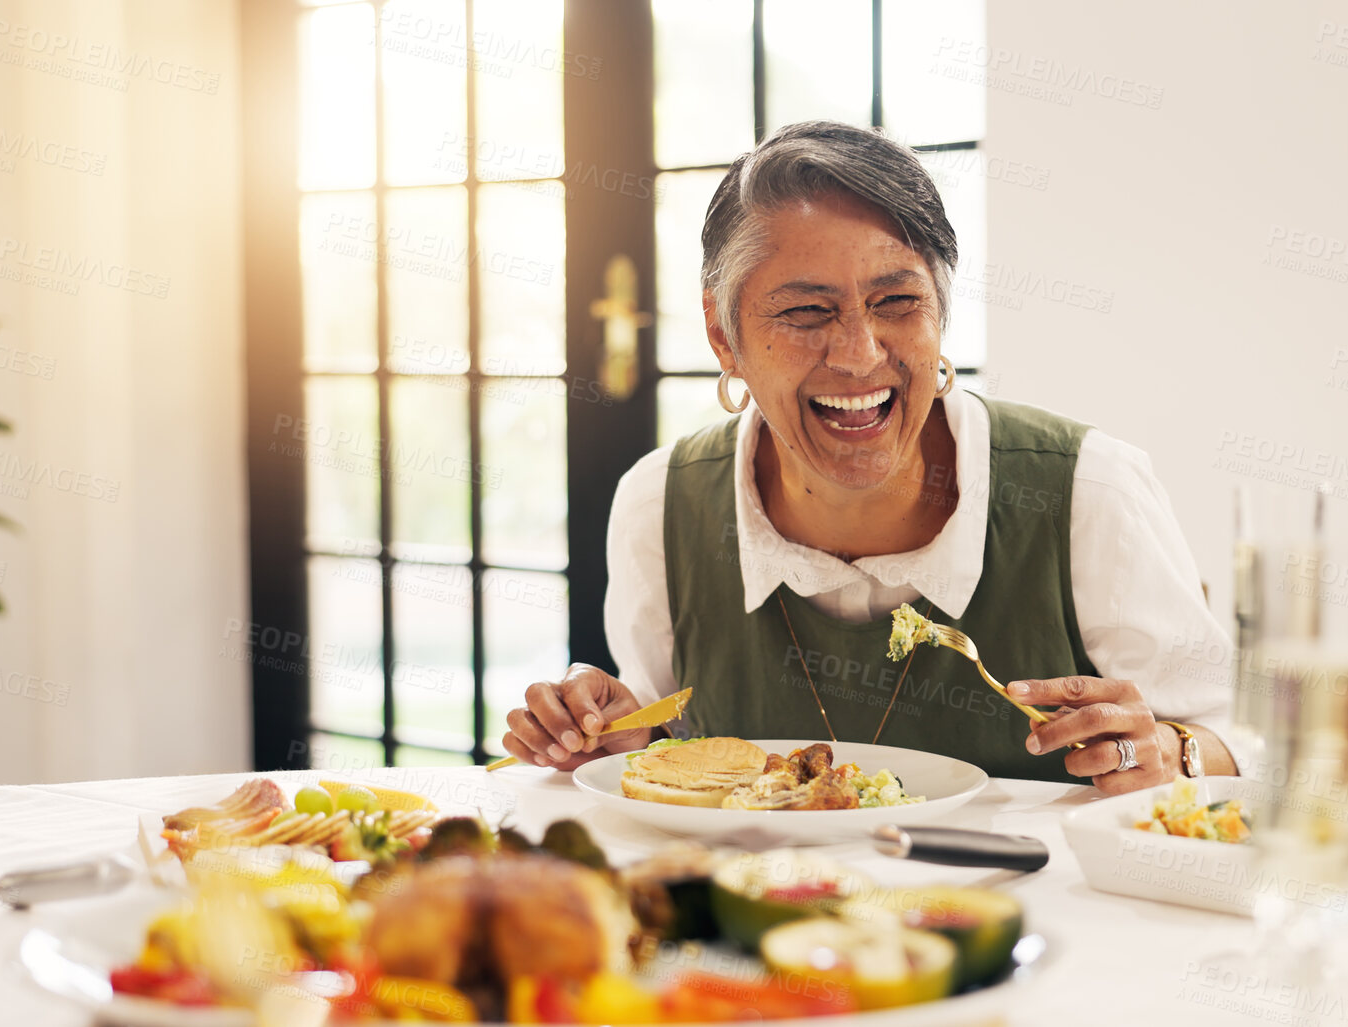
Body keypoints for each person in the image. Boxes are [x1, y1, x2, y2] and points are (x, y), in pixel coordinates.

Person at [502, 121, 1235, 794]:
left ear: (940, 314)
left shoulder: (1090, 491)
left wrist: (1174, 753)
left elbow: (1241, 745)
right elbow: (672, 743)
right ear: (723, 336)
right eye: (804, 312)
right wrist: (621, 737)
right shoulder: (660, 502)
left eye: (896, 302)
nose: (859, 355)